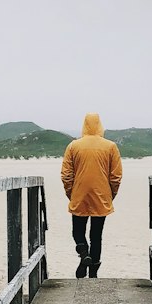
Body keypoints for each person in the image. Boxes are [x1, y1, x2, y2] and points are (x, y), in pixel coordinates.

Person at [60, 113, 123, 278]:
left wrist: (71, 194)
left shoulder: (73, 146)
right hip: (102, 196)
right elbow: (115, 177)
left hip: (79, 195)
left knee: (77, 232)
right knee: (96, 235)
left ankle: (83, 254)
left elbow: (66, 175)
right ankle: (93, 272)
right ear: (100, 125)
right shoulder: (111, 146)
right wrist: (110, 196)